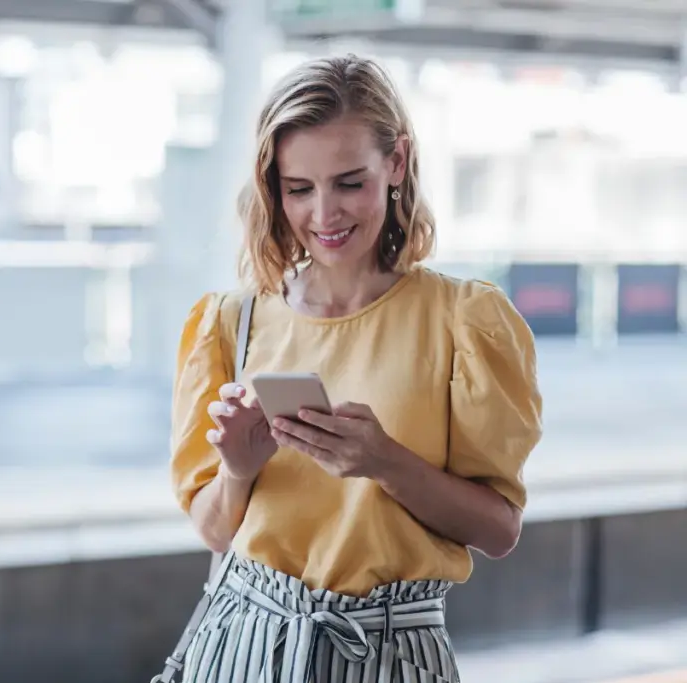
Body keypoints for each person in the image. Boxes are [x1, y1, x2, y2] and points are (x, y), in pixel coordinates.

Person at [169, 55, 542, 683]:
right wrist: (238, 470)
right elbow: (215, 534)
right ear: (272, 188)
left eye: (350, 182)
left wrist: (384, 462)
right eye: (298, 189)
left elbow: (499, 529)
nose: (324, 215)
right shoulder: (233, 322)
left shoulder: (465, 321)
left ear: (396, 162)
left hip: (393, 653)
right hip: (242, 646)